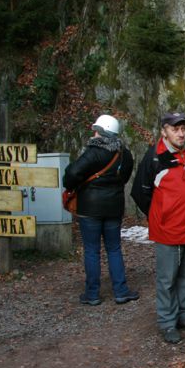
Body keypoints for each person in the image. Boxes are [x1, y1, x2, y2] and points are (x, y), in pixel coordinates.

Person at [131, 112, 185, 345]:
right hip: (169, 229)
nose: (181, 133)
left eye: (183, 128)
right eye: (175, 129)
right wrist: (160, 215)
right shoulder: (155, 157)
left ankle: (183, 313)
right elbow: (140, 192)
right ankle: (167, 321)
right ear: (164, 131)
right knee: (167, 279)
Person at [63, 114, 137, 306]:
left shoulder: (94, 151)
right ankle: (121, 291)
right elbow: (125, 177)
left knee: (92, 251)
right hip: (114, 207)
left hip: (90, 208)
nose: (94, 133)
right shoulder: (124, 154)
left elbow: (72, 173)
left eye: (96, 129)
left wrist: (73, 184)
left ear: (102, 132)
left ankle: (92, 293)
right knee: (114, 249)